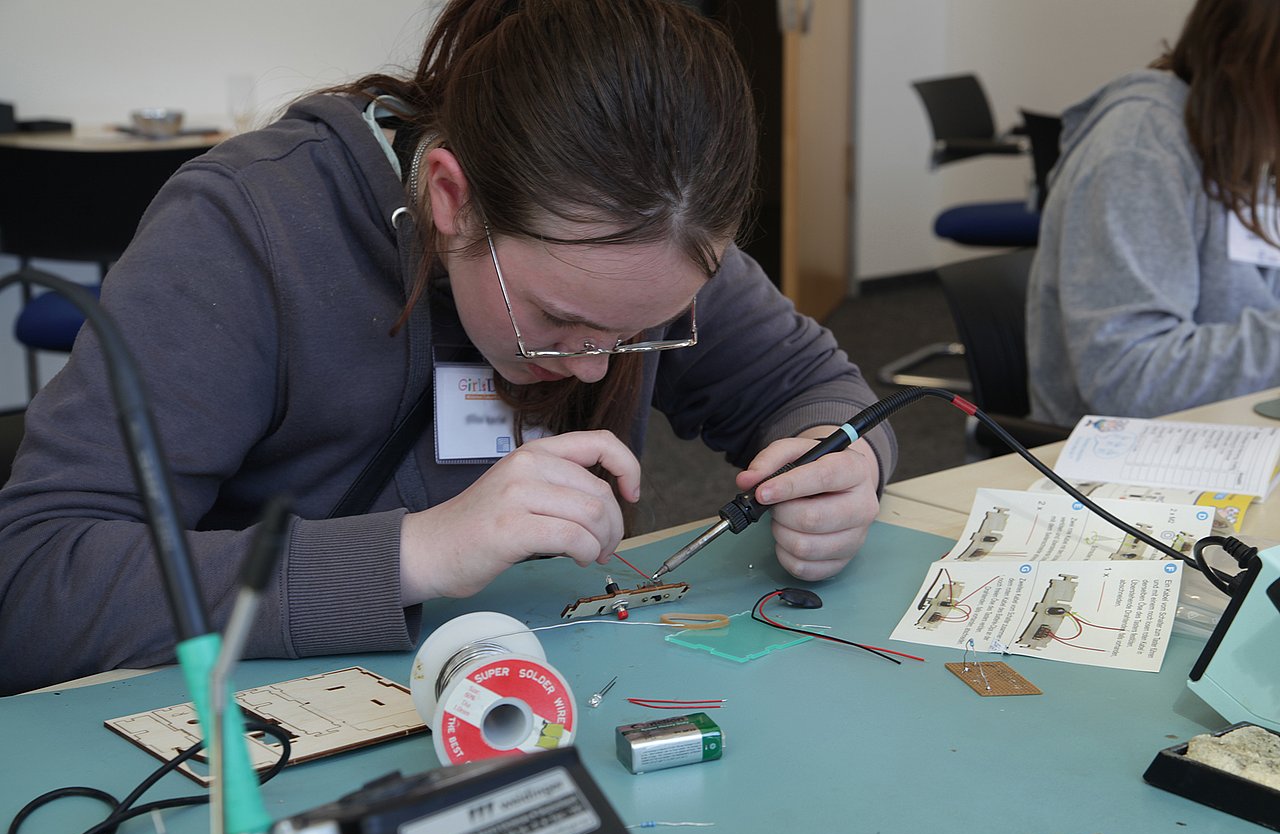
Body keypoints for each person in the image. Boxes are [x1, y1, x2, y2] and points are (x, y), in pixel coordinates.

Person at [0, 0, 895, 695]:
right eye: (557, 319)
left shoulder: (649, 234)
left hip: (550, 701)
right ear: (449, 198)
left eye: (637, 335)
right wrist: (415, 553)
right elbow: (34, 584)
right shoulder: (245, 230)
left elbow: (821, 390)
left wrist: (840, 462)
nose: (593, 366)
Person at [1027, 0, 1280, 428]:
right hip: (1125, 452)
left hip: (1235, 426)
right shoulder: (1138, 151)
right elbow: (1128, 380)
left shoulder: (1249, 136)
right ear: (1243, 59)